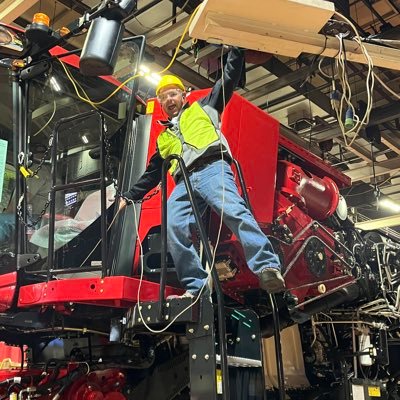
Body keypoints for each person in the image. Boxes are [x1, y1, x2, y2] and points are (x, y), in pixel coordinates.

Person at [122, 47, 285, 297]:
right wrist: (129, 197)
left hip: (212, 169)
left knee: (235, 211)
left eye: (173, 94)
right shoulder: (163, 138)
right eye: (164, 97)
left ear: (184, 95)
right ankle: (197, 287)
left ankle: (267, 266)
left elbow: (227, 79)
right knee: (173, 227)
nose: (169, 100)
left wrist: (236, 51)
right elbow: (152, 173)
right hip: (184, 183)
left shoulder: (205, 107)